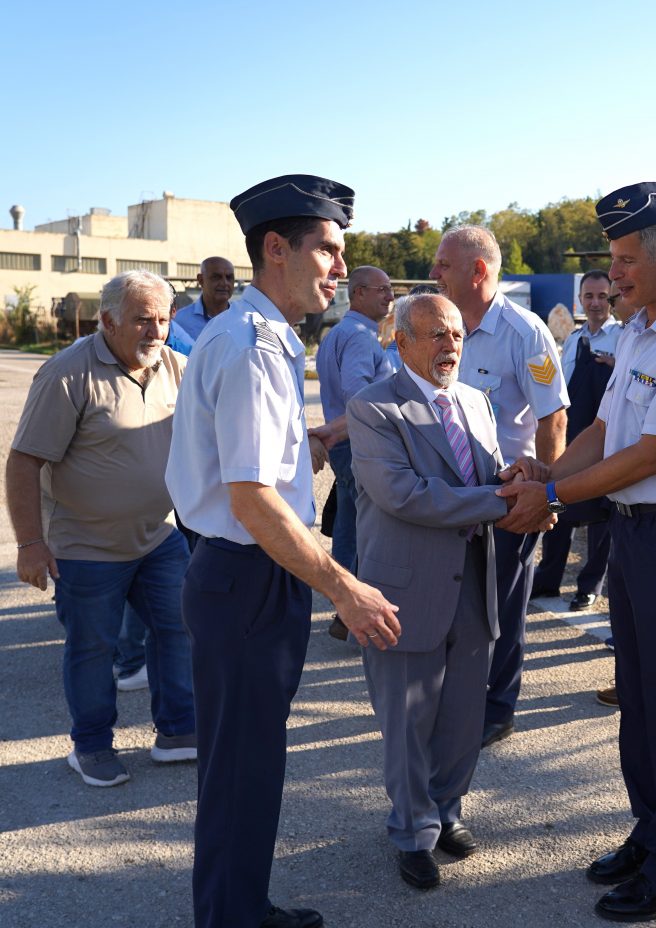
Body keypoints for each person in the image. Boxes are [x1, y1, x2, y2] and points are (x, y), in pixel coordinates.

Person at [166, 174, 401, 928]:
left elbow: (252, 476)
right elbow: (252, 500)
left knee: (248, 766)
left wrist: (314, 441)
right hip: (248, 575)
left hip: (243, 573)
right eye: (328, 250)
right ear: (276, 249)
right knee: (241, 769)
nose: (338, 267)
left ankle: (240, 908)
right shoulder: (252, 347)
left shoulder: (247, 334)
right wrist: (345, 587)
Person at [497, 181, 656, 921]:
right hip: (635, 530)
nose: (615, 274)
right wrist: (550, 469)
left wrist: (557, 498)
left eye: (627, 259)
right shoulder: (635, 329)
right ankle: (652, 831)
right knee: (639, 694)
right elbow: (606, 432)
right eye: (613, 259)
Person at [347, 293, 554, 890]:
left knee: (463, 717)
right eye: (436, 335)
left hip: (474, 580)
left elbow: (483, 473)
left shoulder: (475, 401)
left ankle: (445, 812)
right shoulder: (374, 407)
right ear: (401, 341)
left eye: (458, 335)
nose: (451, 346)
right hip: (406, 588)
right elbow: (403, 494)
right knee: (408, 721)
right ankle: (412, 833)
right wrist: (502, 501)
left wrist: (522, 480)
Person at [6, 270, 197, 787]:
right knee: (92, 649)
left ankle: (178, 730)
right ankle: (90, 745)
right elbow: (22, 461)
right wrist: (29, 543)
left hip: (159, 537)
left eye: (163, 318)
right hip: (86, 546)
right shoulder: (67, 374)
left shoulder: (176, 368)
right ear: (107, 320)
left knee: (177, 630)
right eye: (142, 319)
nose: (155, 330)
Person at [429, 225, 568, 748]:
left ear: (478, 271)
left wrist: (545, 496)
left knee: (503, 607)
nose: (435, 273)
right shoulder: (440, 325)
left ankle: (496, 707)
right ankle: (459, 696)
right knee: (457, 601)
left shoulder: (524, 331)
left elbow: (553, 417)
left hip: (507, 494)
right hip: (453, 493)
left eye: (444, 264)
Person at [533, 269, 620, 610]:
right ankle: (549, 577)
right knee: (557, 504)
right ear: (580, 300)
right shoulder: (571, 339)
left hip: (604, 441)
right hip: (572, 439)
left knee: (601, 515)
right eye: (589, 296)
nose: (596, 303)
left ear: (611, 298)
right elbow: (557, 386)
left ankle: (590, 584)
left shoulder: (623, 338)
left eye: (602, 296)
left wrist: (614, 365)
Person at [316, 265, 395, 579]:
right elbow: (357, 394)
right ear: (358, 292)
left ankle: (344, 607)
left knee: (350, 524)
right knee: (366, 529)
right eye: (383, 290)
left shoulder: (341, 332)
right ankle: (352, 604)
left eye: (391, 289)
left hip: (346, 444)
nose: (390, 296)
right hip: (357, 445)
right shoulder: (360, 337)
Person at [173, 256, 236, 342]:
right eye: (216, 277)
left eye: (229, 277)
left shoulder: (242, 319)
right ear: (201, 280)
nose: (224, 283)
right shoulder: (179, 321)